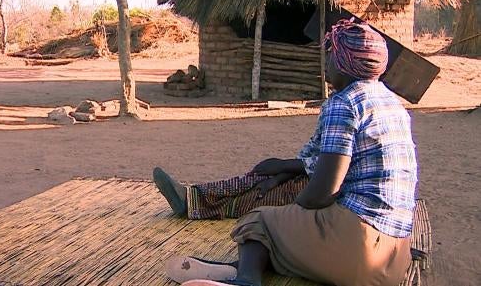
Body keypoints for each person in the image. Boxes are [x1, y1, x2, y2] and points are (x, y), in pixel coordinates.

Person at [156, 20, 417, 286]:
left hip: (358, 248)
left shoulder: (345, 103)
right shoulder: (392, 104)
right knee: (279, 205)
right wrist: (288, 173)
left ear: (343, 62)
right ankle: (235, 267)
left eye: (330, 53)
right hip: (393, 259)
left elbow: (322, 192)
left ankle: (246, 280)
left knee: (260, 219)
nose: (325, 59)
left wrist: (292, 213)